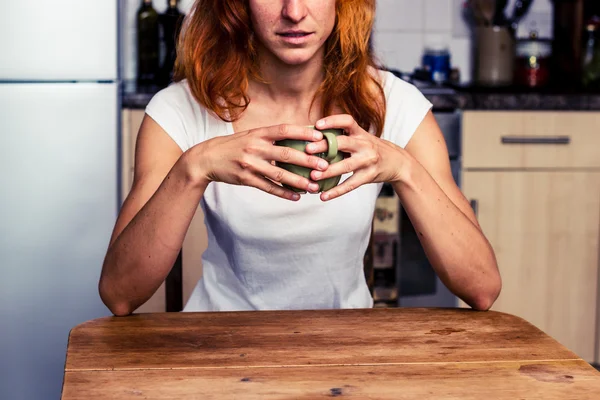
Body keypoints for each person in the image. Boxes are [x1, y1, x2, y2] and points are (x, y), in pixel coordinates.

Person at [99, 0, 501, 316]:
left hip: (343, 348)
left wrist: (403, 168)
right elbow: (119, 294)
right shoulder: (179, 110)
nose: (294, 11)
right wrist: (194, 168)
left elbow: (482, 287)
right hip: (220, 344)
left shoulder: (392, 103)